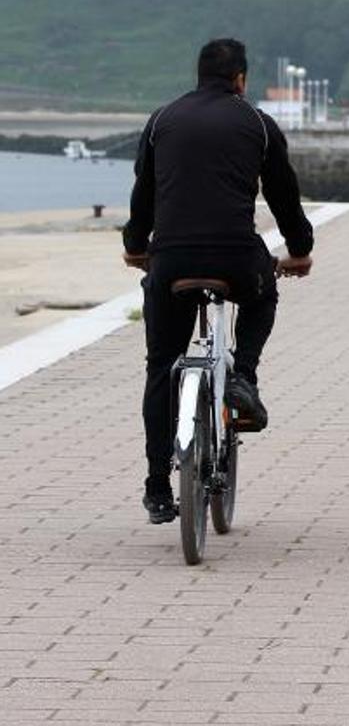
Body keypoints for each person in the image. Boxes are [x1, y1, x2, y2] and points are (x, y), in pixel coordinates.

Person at [122, 38, 314, 524]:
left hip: (169, 260)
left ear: (198, 74)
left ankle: (157, 487)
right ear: (241, 80)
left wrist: (135, 245)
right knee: (263, 293)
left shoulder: (162, 119)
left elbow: (144, 191)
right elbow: (284, 196)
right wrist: (300, 250)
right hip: (235, 256)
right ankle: (243, 377)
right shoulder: (257, 124)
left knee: (161, 364)